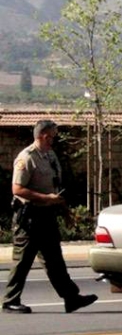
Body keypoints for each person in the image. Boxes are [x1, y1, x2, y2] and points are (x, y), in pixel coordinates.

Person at [2, 120, 97, 314]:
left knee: (55, 260)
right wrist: (46, 198)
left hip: (47, 215)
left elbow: (54, 188)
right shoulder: (26, 157)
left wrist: (65, 212)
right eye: (52, 135)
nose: (54, 139)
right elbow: (17, 189)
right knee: (22, 261)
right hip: (29, 217)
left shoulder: (49, 155)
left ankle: (71, 298)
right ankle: (10, 300)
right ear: (43, 135)